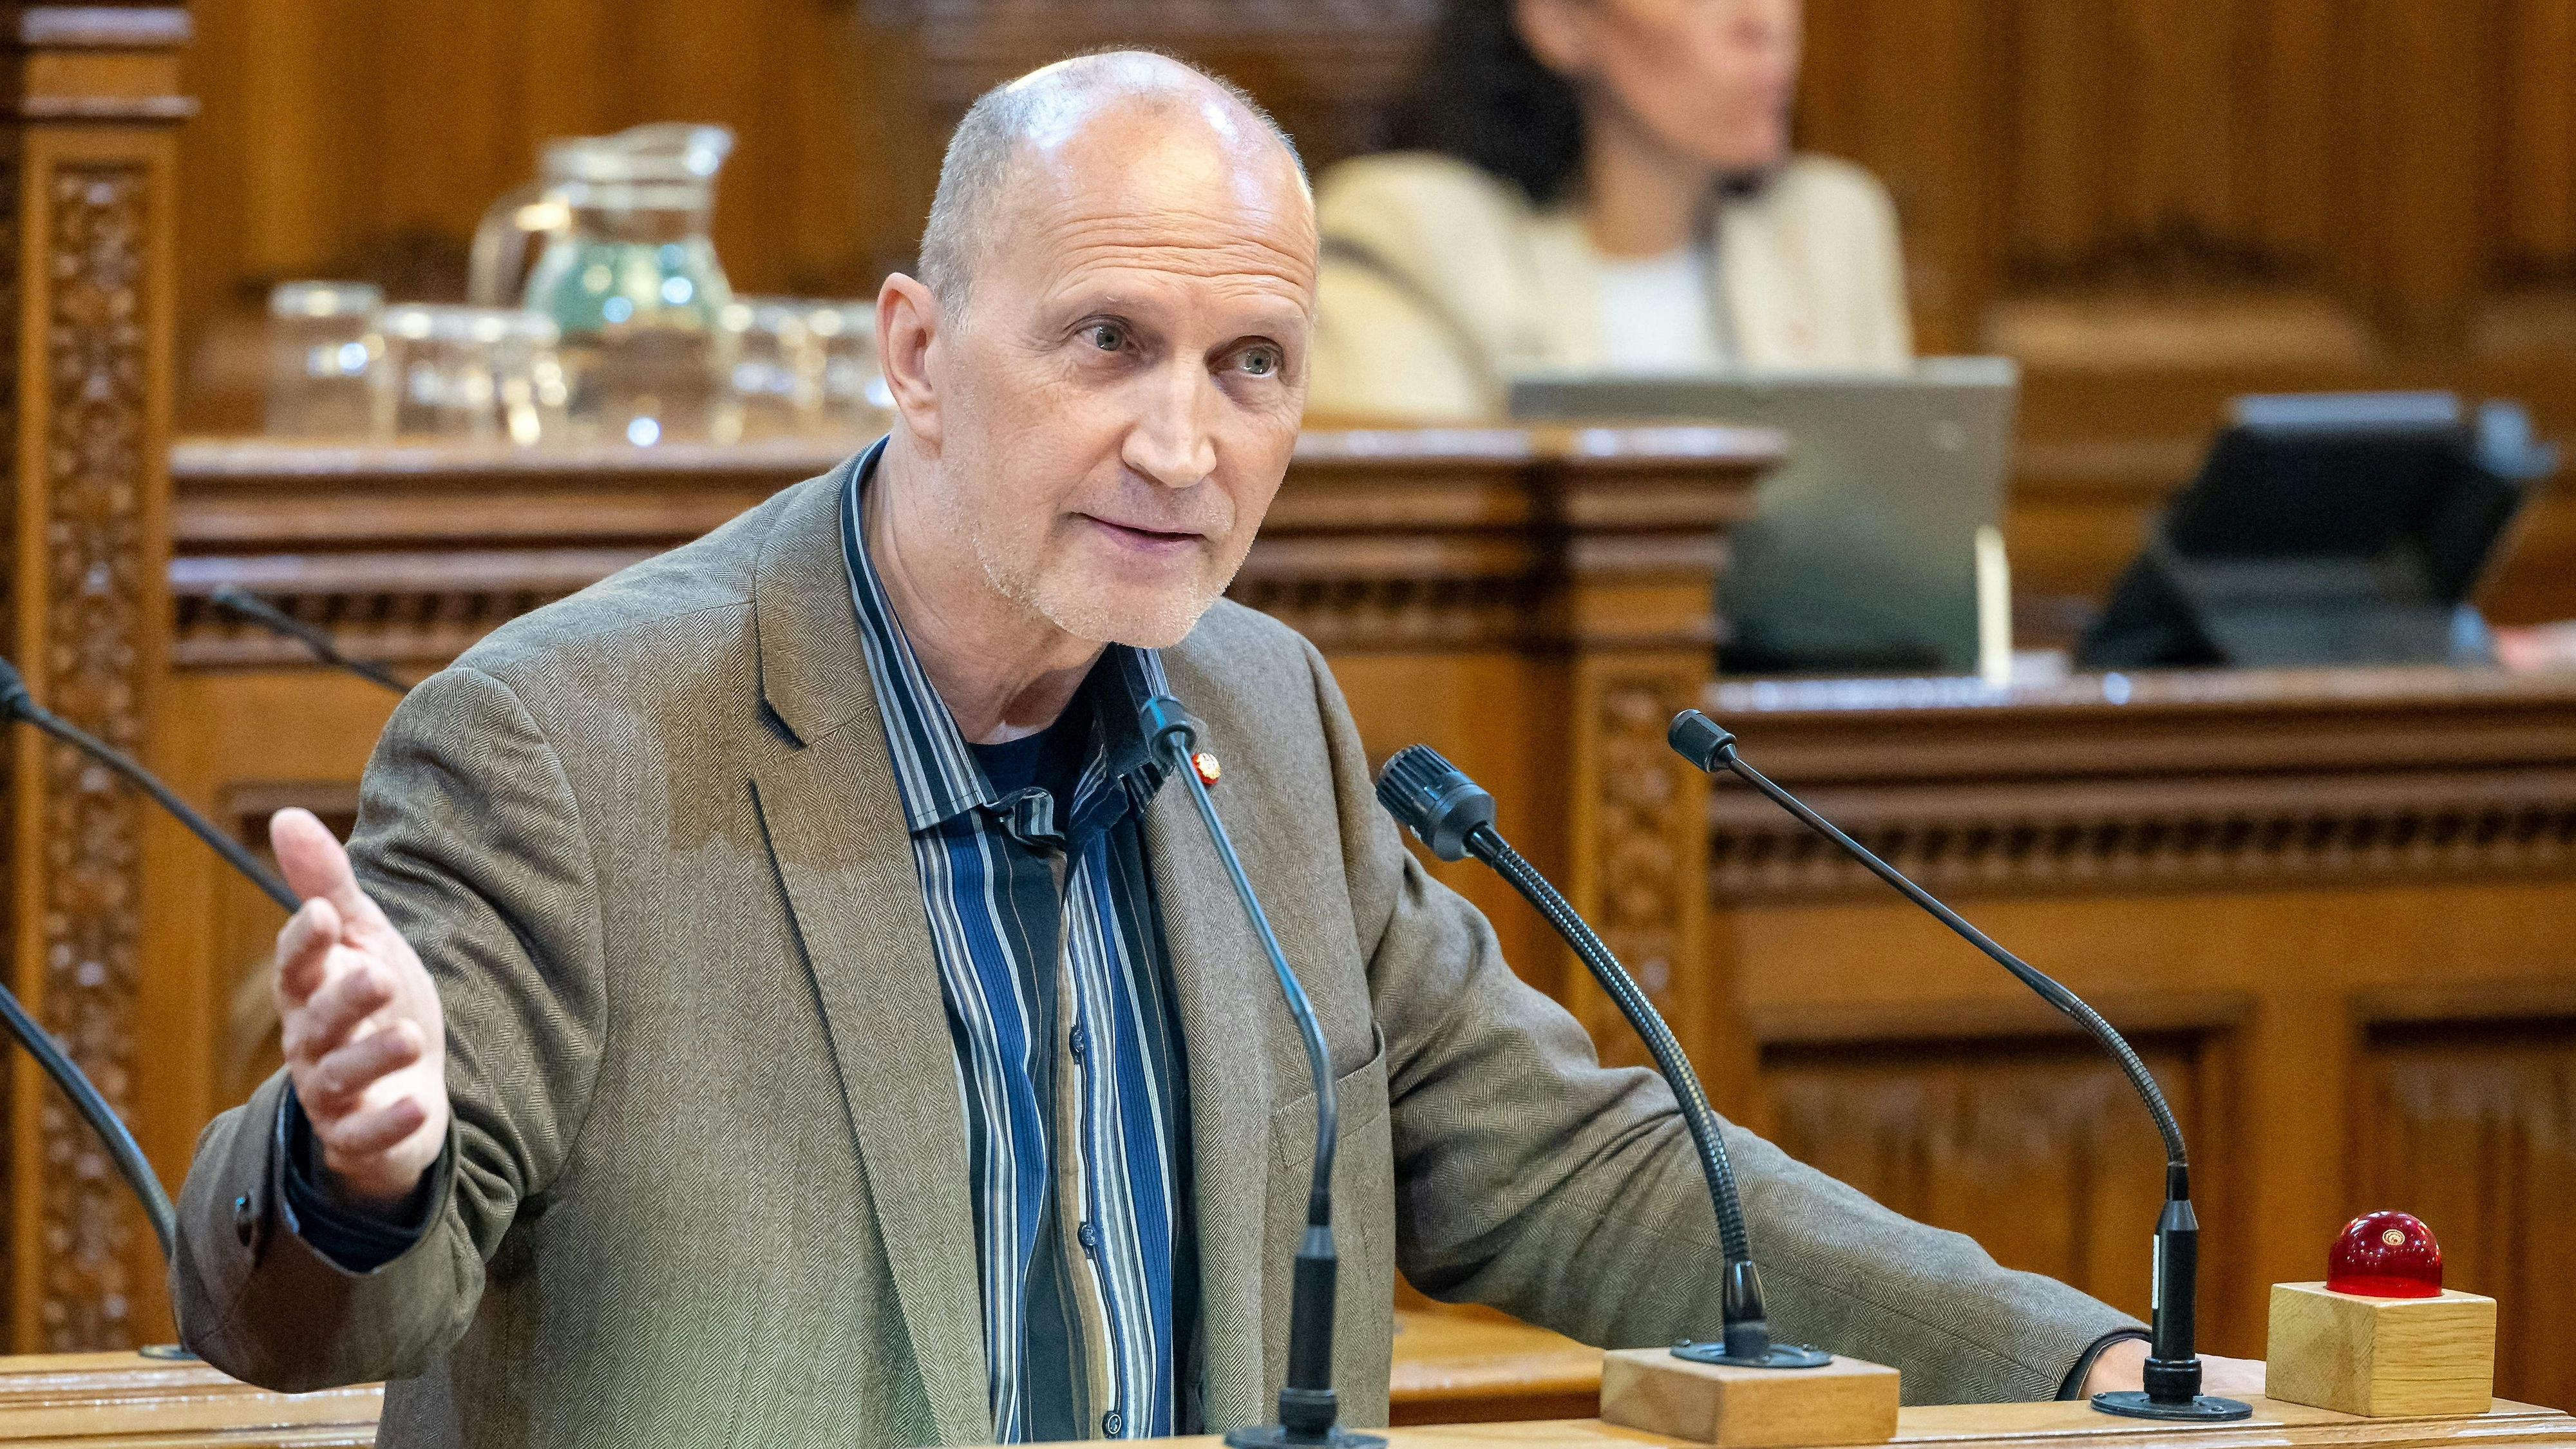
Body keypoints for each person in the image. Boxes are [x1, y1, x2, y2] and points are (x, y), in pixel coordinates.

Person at [170, 52, 2248, 1448]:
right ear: (915, 351)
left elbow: (1613, 1180)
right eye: (1111, 347)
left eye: (1252, 366)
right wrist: (362, 1167)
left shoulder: (1263, 716)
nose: (1187, 447)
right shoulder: (571, 744)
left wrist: (2082, 1363)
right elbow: (293, 1319)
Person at [1307, 0, 1911, 420]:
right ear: (1559, 21)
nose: (1767, 22)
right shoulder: (1411, 231)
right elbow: (1416, 545)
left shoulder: (1833, 227)